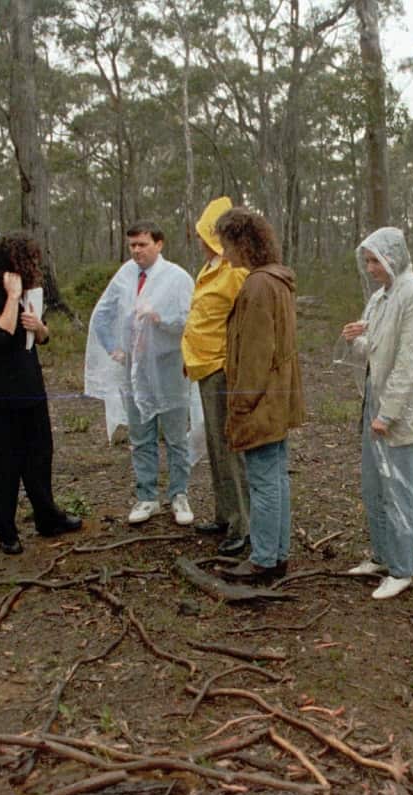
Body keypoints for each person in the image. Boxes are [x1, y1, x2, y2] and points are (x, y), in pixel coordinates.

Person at [337, 227, 413, 599]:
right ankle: (381, 555)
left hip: (405, 410)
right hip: (377, 401)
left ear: (394, 257)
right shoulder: (381, 299)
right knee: (374, 485)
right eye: (368, 261)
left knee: (400, 488)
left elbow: (411, 361)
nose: (371, 268)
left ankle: (403, 567)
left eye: (376, 260)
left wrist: (387, 415)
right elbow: (373, 351)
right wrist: (356, 338)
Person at [0, 231, 82, 554]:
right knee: (3, 462)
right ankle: (5, 529)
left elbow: (43, 336)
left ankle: (47, 517)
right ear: (12, 260)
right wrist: (11, 296)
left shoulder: (31, 291)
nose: (35, 264)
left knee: (39, 455)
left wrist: (39, 327)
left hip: (30, 387)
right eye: (29, 259)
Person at [84, 221, 198, 526]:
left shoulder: (177, 278)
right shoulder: (124, 275)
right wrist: (113, 348)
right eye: (132, 245)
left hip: (169, 367)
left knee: (175, 436)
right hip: (133, 372)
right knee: (141, 436)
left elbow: (190, 321)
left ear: (159, 245)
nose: (136, 250)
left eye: (143, 244)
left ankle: (179, 495)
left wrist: (160, 318)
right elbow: (103, 314)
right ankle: (147, 497)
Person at [215, 207, 306, 583]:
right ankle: (275, 554)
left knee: (264, 481)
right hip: (275, 397)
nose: (224, 254)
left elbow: (254, 353)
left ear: (243, 243)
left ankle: (264, 561)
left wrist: (240, 402)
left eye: (227, 245)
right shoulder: (275, 281)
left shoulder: (258, 285)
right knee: (275, 477)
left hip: (261, 400)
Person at [181, 197, 250, 557]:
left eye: (204, 235)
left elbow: (245, 322)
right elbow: (201, 316)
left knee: (230, 448)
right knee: (213, 446)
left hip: (223, 369)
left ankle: (243, 524)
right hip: (202, 366)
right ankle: (225, 515)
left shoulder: (236, 271)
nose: (199, 241)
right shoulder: (209, 267)